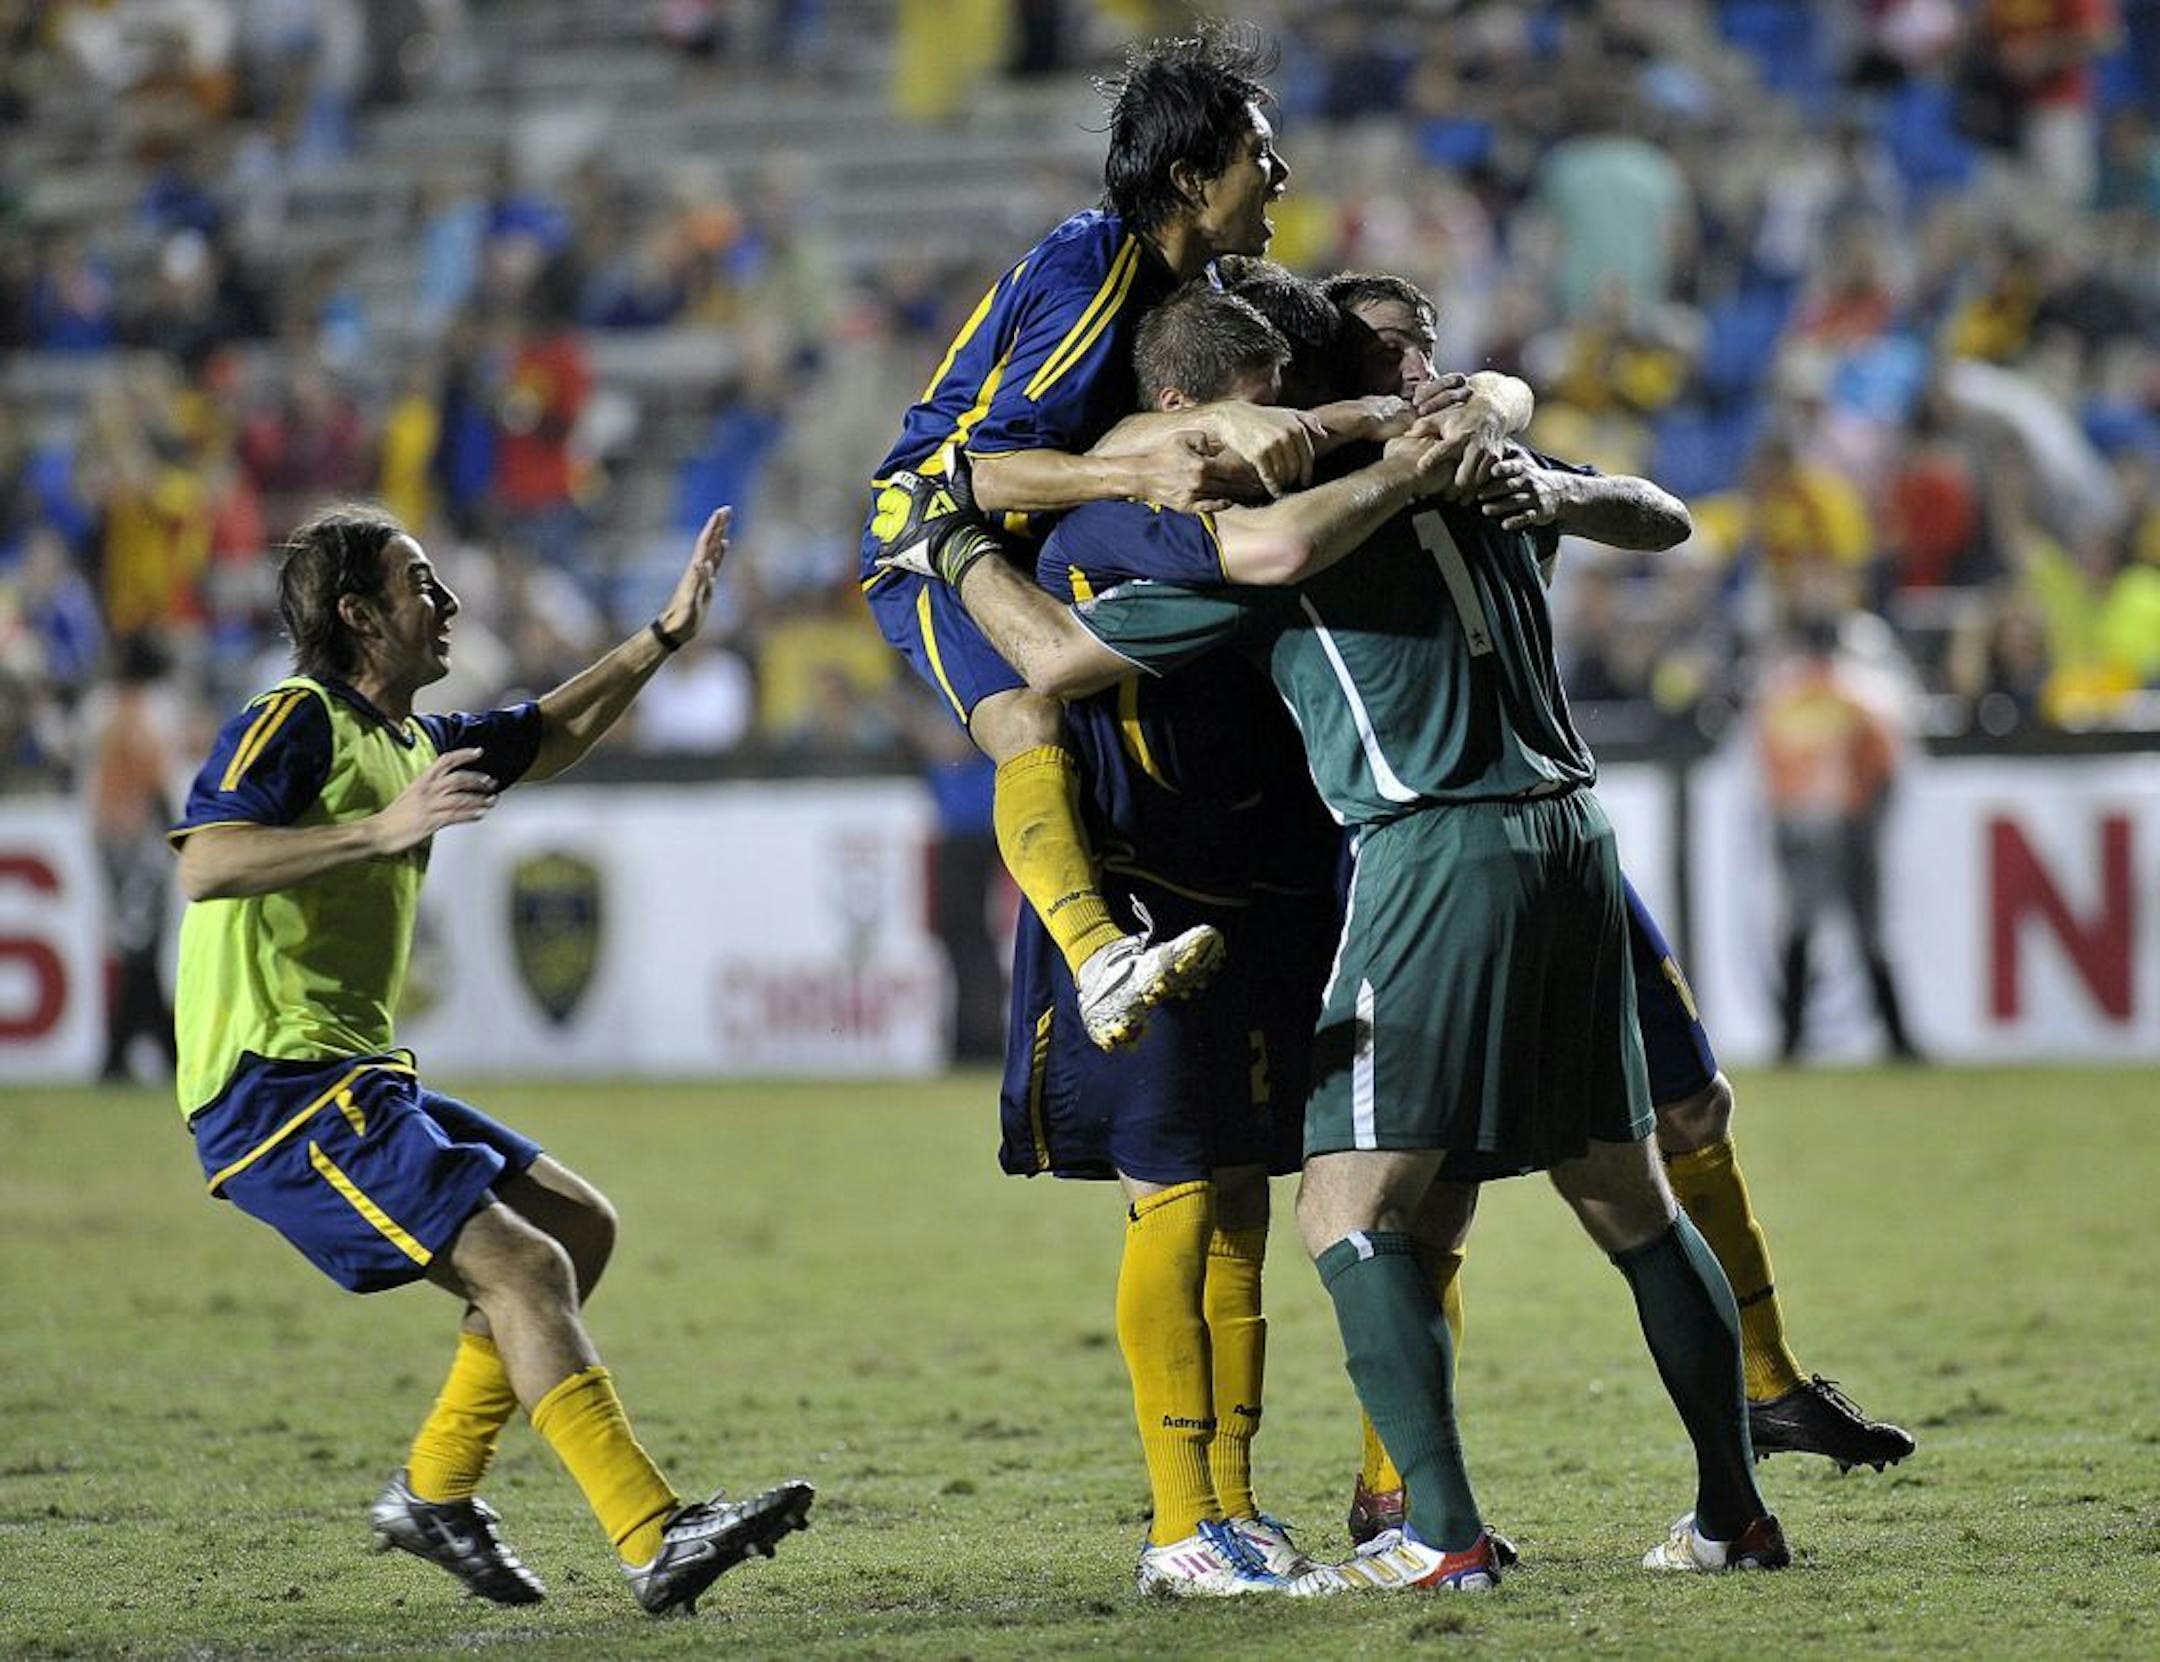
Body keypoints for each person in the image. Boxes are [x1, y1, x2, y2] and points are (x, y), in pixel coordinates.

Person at [873, 286, 1792, 1591]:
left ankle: (1440, 1529)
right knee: (1629, 1196)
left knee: (1343, 1207)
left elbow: (1064, 656)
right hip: (1576, 835)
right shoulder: (1474, 468)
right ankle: (1733, 1516)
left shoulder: (1283, 529)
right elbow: (1664, 513)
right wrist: (1542, 477)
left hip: (1435, 845)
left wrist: (952, 551)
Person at [1319, 273, 1916, 1540]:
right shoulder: (1319, 504)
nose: (1423, 370)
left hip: (1553, 836)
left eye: (1429, 348)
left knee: (1683, 1110)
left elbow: (1662, 514)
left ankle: (1764, 1391)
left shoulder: (1487, 459)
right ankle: (1393, 1486)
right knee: (1435, 1184)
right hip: (1422, 852)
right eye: (1390, 353)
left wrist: (1557, 487)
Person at [167, 503, 811, 1617]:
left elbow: (550, 733)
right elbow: (208, 864)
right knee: (526, 1270)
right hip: (273, 1088)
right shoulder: (294, 720)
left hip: (351, 1073)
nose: (449, 600)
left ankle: (435, 1493)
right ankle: (654, 1537)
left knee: (576, 1228)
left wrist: (659, 639)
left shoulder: (411, 740)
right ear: (361, 615)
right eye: (423, 582)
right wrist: (379, 831)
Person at [993, 284, 1535, 1596]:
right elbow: (1046, 662)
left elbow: (1509, 416)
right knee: (1181, 1196)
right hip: (1150, 891)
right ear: (1182, 408)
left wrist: (1490, 408)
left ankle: (1281, 1498)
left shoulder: (1252, 485)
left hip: (1286, 889)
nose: (1285, 426)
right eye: (1265, 400)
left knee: (1267, 1196)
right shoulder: (1140, 514)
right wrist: (949, 557)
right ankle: (1190, 1516)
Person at [860, 21, 1324, 1054]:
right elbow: (978, 469)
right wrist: (1133, 467)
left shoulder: (1193, 292)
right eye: (1260, 152)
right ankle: (1097, 958)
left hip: (1044, 533)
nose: (1281, 171)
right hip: (931, 527)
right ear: (1192, 177)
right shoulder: (1095, 269)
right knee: (1028, 711)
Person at [1758, 613, 1923, 1063]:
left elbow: (1767, 773)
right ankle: (1897, 1039)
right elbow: (1886, 766)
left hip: (1798, 826)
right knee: (1868, 930)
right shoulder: (1863, 696)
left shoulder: (1782, 695)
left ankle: (1790, 1041)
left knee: (1798, 928)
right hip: (1851, 824)